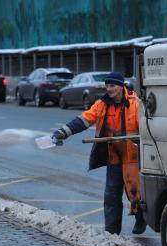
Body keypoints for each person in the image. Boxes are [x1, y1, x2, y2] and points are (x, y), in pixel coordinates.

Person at [51, 71, 146, 235]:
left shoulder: (135, 104)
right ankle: (111, 232)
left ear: (121, 86)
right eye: (107, 85)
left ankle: (140, 218)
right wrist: (62, 132)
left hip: (133, 155)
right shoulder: (102, 104)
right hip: (114, 155)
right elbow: (84, 119)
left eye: (112, 85)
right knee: (111, 195)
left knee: (134, 192)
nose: (109, 89)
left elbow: (146, 126)